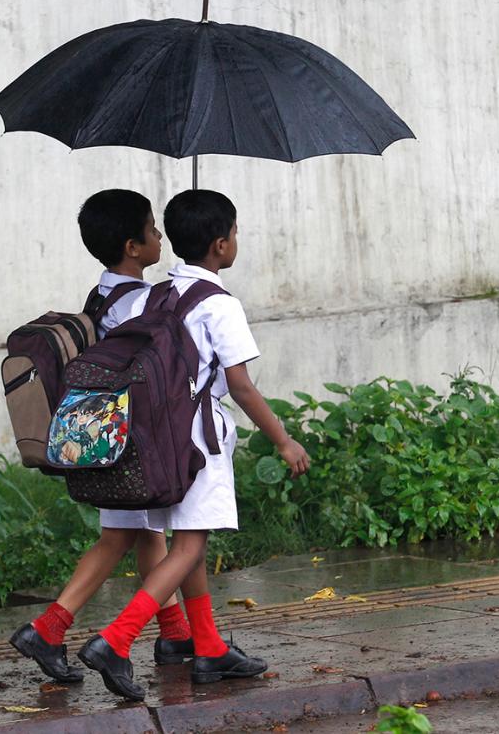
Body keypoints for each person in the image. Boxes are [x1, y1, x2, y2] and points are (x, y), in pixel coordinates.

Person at [76, 188, 311, 701]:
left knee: (189, 541)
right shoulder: (220, 305)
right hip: (199, 441)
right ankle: (115, 640)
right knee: (189, 547)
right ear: (222, 244)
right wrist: (284, 440)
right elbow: (241, 385)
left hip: (160, 437)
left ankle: (208, 649)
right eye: (235, 235)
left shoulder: (158, 293)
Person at [10, 189, 197, 682]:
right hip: (130, 440)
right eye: (153, 230)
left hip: (107, 433)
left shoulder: (103, 293)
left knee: (142, 532)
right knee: (120, 535)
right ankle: (49, 627)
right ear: (134, 247)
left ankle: (176, 632)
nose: (160, 237)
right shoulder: (140, 302)